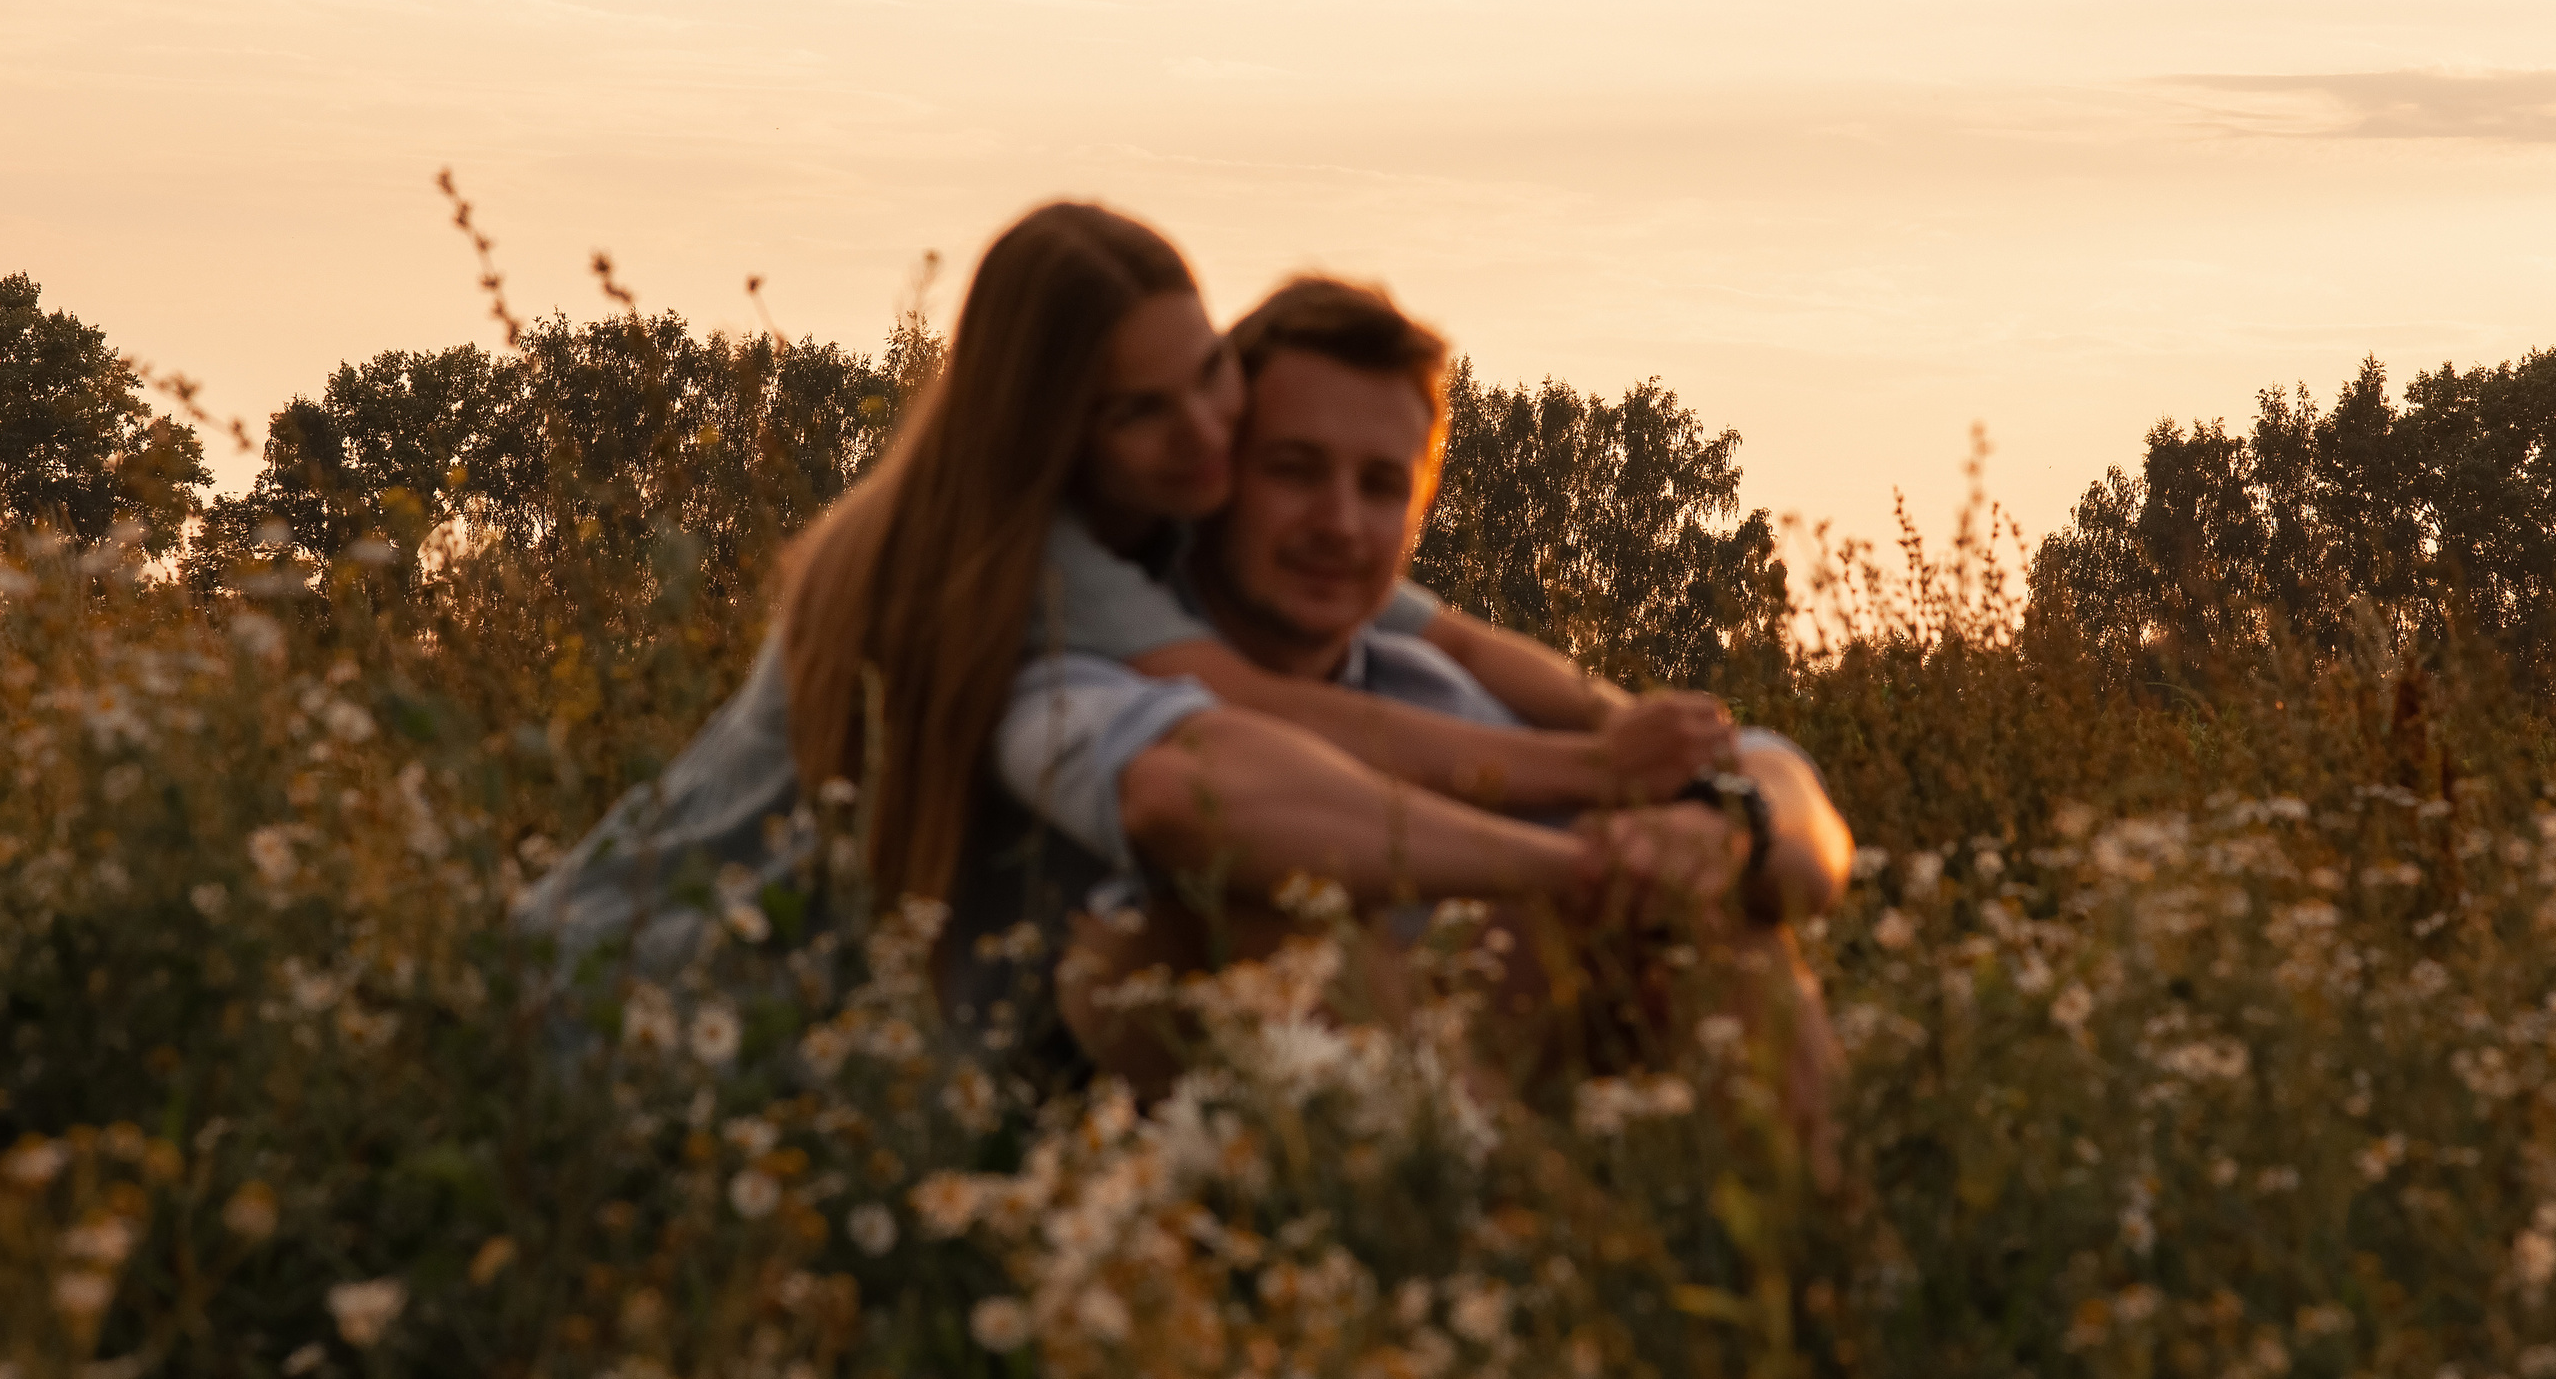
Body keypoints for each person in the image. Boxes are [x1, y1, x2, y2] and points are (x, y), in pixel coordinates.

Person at [516, 203, 1753, 1063]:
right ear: (1056, 431)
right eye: (1142, 411)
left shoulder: (1161, 510)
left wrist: (1635, 728)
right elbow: (1252, 708)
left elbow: (1456, 637)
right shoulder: (1020, 550)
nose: (1206, 431)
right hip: (645, 978)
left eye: (1209, 372)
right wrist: (1587, 773)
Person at [987, 277, 1852, 1101]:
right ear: (1216, 477)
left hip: (1499, 1090)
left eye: (1380, 486)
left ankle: (1812, 1215)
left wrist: (1726, 828)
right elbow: (1191, 790)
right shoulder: (1084, 670)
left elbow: (1787, 791)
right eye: (1294, 469)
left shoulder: (1435, 682)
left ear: (1421, 508)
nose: (1339, 522)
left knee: (1732, 934)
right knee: (1232, 918)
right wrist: (1582, 855)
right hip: (1144, 1155)